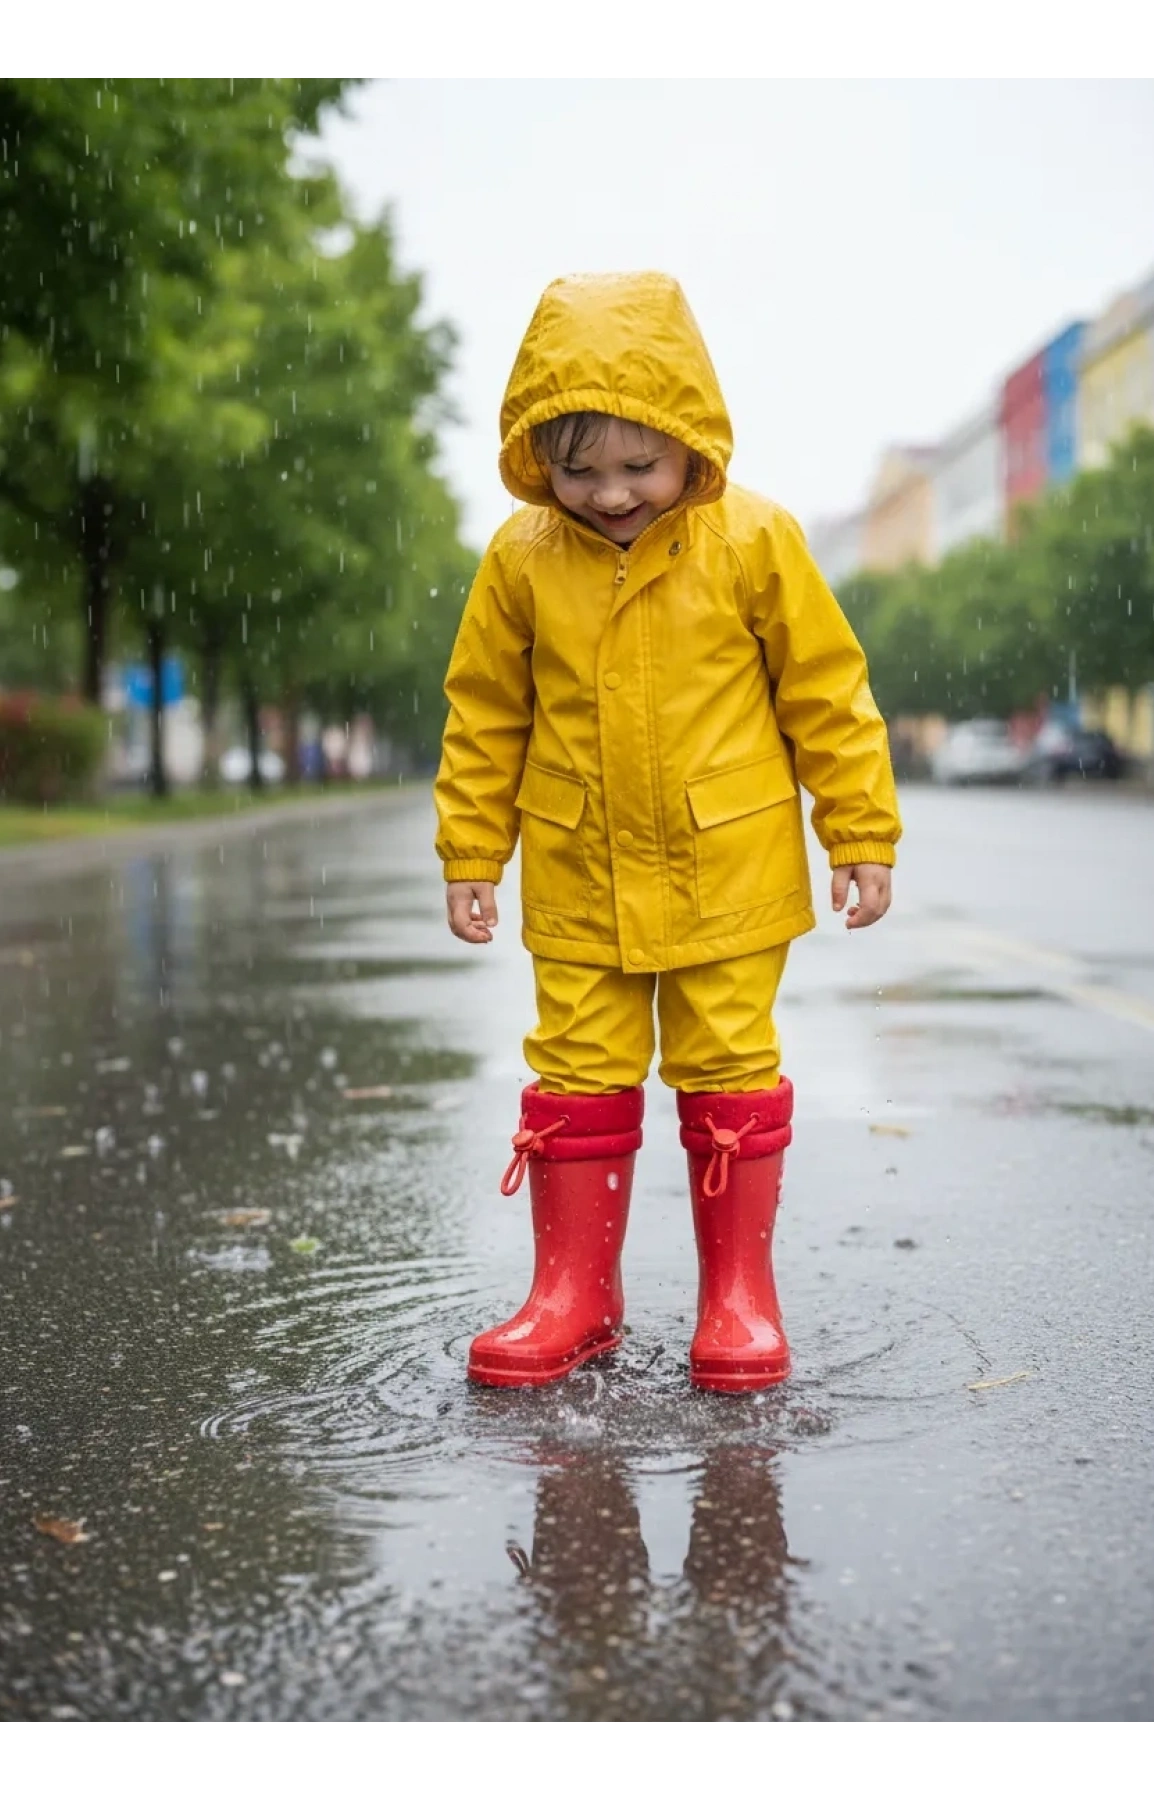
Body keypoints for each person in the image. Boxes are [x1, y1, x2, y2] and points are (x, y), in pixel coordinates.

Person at [434, 272, 900, 1392]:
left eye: (640, 466)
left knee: (728, 1064)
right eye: (577, 469)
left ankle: (738, 1300)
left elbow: (825, 693)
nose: (610, 495)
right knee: (577, 1068)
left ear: (693, 439)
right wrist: (470, 852)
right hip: (579, 867)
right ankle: (574, 1297)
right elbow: (486, 712)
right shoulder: (519, 559)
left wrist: (859, 831)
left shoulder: (754, 540)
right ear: (536, 458)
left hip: (725, 865)